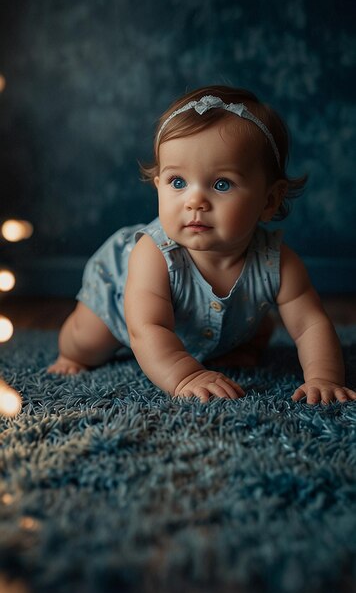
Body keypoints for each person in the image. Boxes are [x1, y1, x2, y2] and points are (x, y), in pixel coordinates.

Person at [48, 85, 356, 406]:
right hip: (120, 307)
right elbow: (147, 327)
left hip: (214, 324)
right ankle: (71, 349)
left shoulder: (277, 262)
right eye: (177, 182)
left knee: (258, 325)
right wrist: (186, 375)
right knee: (88, 341)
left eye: (222, 184)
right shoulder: (153, 254)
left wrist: (324, 377)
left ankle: (236, 346)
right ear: (158, 186)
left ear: (269, 200)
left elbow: (310, 325)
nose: (194, 201)